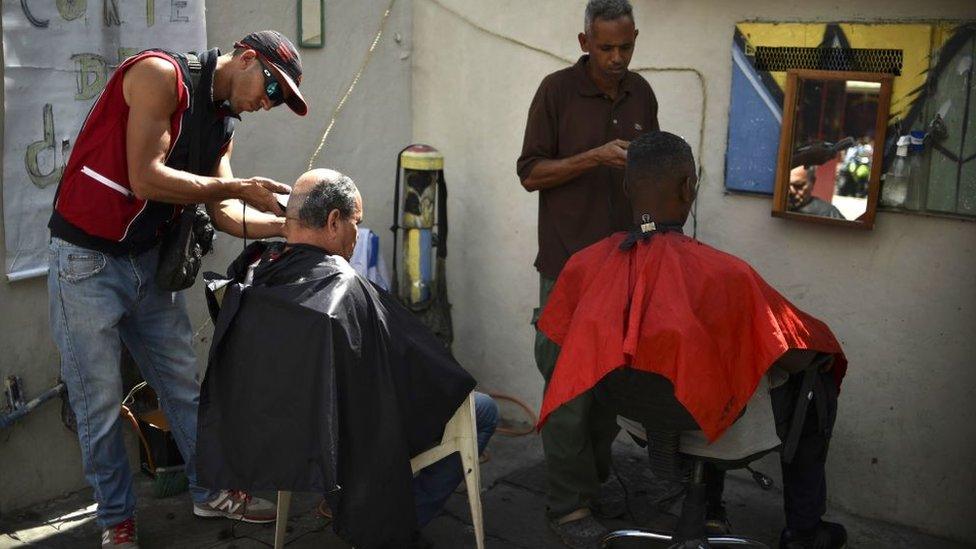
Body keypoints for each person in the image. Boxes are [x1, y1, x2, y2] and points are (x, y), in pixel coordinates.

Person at [47, 30, 307, 548]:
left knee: (185, 385)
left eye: (277, 101)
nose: (267, 104)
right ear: (247, 58)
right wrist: (236, 185)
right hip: (86, 260)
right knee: (98, 402)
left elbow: (226, 212)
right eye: (271, 90)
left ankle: (209, 489)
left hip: (148, 263)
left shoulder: (222, 122)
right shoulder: (160, 76)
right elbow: (146, 178)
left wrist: (289, 225)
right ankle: (115, 520)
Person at [538, 131, 849, 549]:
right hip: (709, 420)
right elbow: (795, 357)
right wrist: (819, 357)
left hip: (637, 418)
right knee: (815, 387)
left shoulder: (585, 265)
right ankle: (805, 533)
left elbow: (566, 343)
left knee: (712, 368)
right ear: (689, 188)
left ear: (627, 187)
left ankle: (707, 508)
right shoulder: (726, 275)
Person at [196, 169, 497, 548]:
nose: (357, 234)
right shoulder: (344, 288)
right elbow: (418, 368)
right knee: (481, 410)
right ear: (334, 221)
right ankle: (394, 518)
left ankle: (341, 497)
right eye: (356, 222)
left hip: (284, 424)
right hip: (345, 432)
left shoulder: (256, 270)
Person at [515, 0, 659, 545]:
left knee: (609, 393)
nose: (617, 58)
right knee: (568, 393)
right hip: (569, 270)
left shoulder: (641, 92)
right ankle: (566, 508)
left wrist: (654, 240)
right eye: (606, 48)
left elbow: (651, 175)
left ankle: (591, 487)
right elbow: (530, 174)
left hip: (626, 266)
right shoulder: (555, 91)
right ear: (584, 43)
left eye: (626, 46)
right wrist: (594, 157)